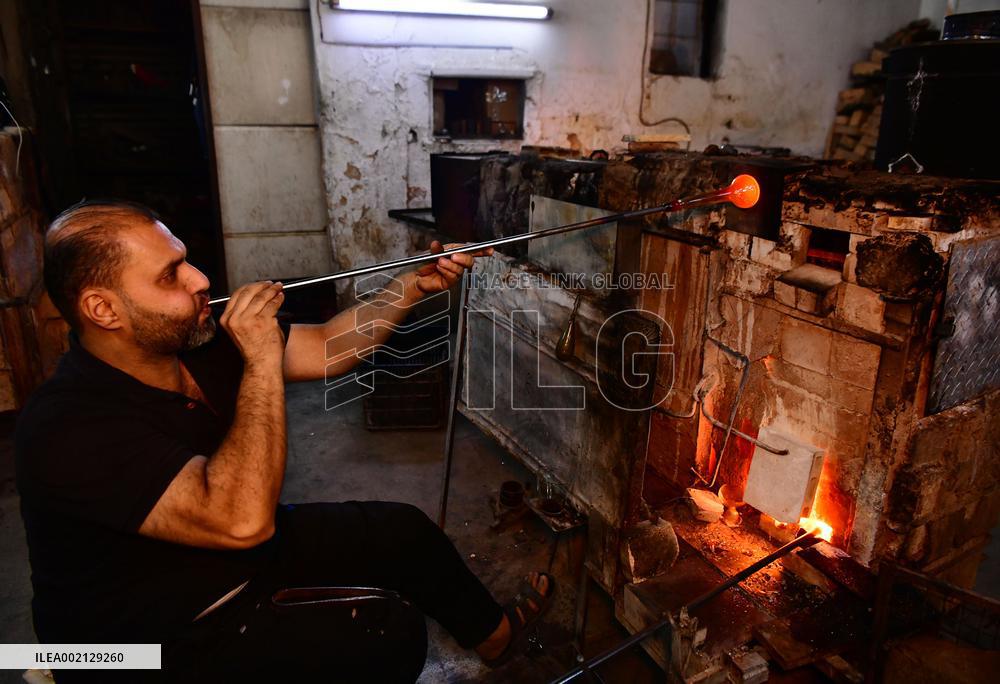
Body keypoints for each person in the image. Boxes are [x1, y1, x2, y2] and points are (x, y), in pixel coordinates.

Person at [15, 201, 552, 682]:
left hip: (219, 563)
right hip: (139, 644)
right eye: (170, 275)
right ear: (103, 310)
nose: (200, 279)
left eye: (185, 261)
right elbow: (242, 521)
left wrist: (411, 286)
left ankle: (496, 636)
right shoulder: (66, 426)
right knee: (388, 636)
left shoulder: (191, 342)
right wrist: (261, 359)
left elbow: (328, 345)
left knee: (403, 534)